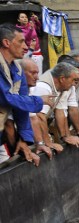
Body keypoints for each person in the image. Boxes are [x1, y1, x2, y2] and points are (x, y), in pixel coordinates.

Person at [0, 23, 49, 165]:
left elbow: (21, 107)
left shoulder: (18, 69)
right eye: (21, 41)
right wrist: (38, 101)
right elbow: (5, 98)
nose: (26, 47)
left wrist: (23, 139)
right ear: (6, 42)